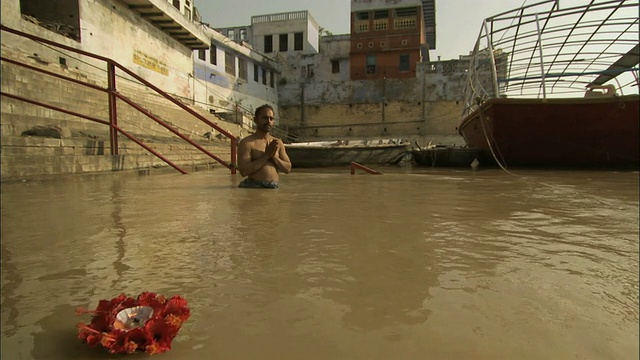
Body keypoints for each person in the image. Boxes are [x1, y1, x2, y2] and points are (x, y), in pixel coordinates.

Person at [237, 104, 291, 188]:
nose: (268, 121)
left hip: (274, 187)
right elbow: (244, 171)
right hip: (255, 188)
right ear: (256, 120)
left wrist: (274, 157)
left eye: (271, 118)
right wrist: (266, 156)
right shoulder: (247, 143)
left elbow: (287, 169)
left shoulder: (277, 143)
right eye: (265, 118)